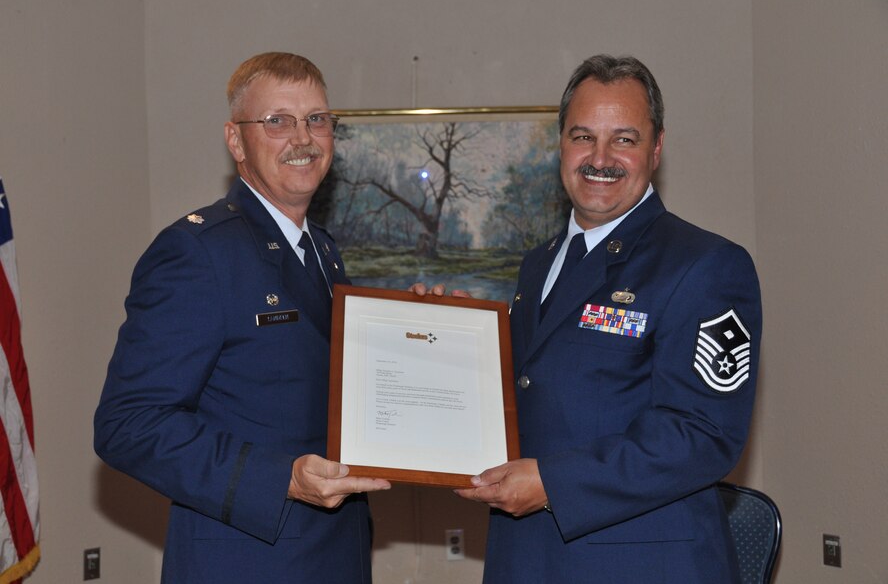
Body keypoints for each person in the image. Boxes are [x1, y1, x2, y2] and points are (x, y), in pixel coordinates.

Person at [455, 55, 762, 583]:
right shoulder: (538, 265)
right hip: (526, 556)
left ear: (657, 147)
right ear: (561, 145)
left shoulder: (705, 264)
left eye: (624, 139)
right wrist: (435, 336)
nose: (600, 158)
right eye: (582, 137)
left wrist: (553, 483)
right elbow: (529, 391)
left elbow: (703, 435)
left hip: (639, 564)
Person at [94, 52, 391, 583]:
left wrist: (422, 338)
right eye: (277, 121)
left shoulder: (322, 252)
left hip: (336, 555)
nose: (302, 138)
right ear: (237, 141)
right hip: (245, 560)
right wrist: (281, 480)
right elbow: (128, 425)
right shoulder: (197, 253)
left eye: (317, 119)